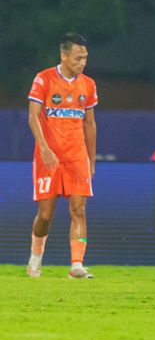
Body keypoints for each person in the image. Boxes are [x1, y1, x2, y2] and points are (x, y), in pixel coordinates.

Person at [26, 33, 98, 279]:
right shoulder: (44, 79)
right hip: (48, 157)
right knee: (45, 215)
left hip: (77, 156)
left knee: (79, 210)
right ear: (64, 56)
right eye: (78, 58)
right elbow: (33, 117)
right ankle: (36, 257)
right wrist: (44, 148)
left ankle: (77, 265)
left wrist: (91, 160)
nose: (82, 62)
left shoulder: (88, 84)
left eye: (85, 58)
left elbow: (90, 124)